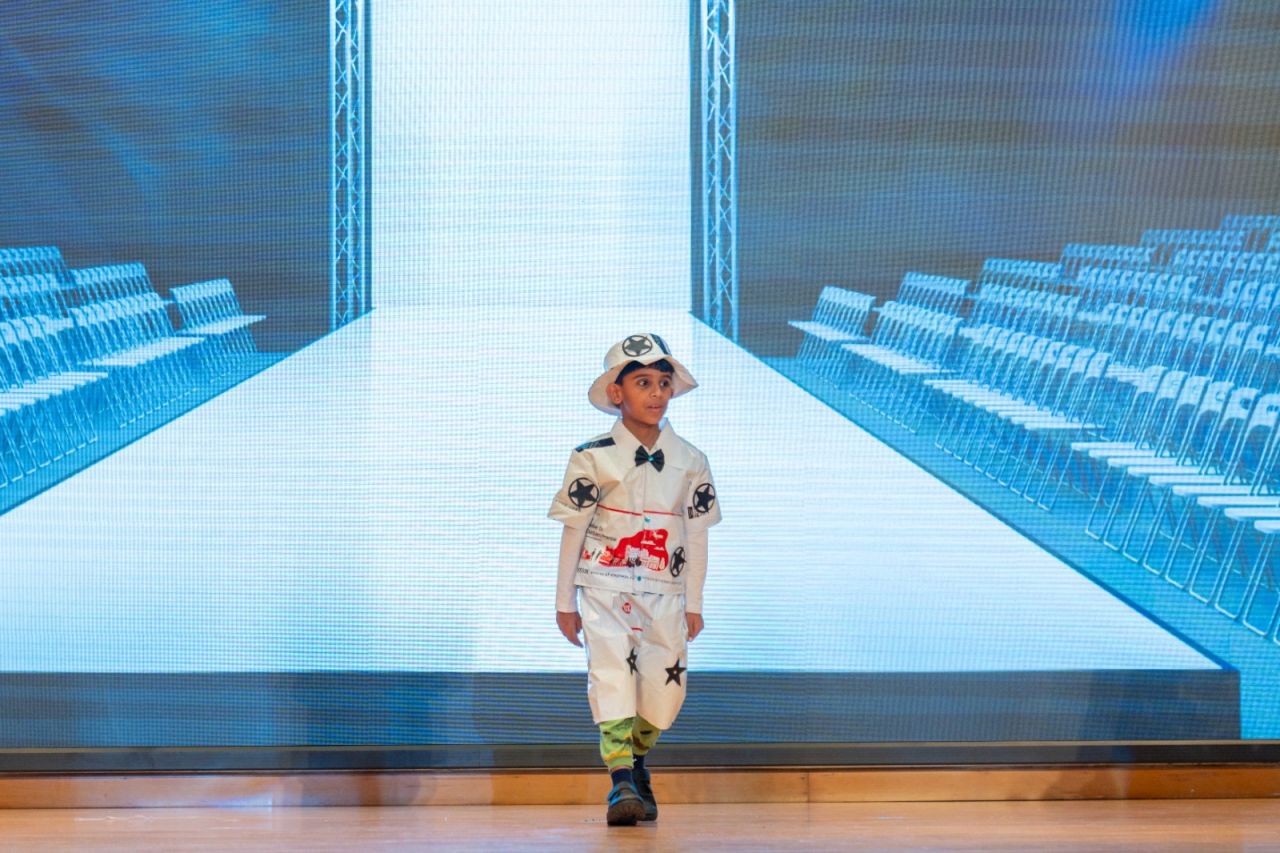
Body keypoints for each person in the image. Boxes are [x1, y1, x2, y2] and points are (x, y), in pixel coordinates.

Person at [549, 333, 721, 826]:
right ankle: (621, 778)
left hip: (665, 593)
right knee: (611, 678)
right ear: (617, 392)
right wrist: (564, 602)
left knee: (665, 690)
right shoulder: (592, 456)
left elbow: (698, 534)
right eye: (643, 382)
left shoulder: (691, 460)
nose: (656, 393)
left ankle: (638, 760)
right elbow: (574, 529)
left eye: (664, 383)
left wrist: (694, 601)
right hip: (604, 588)